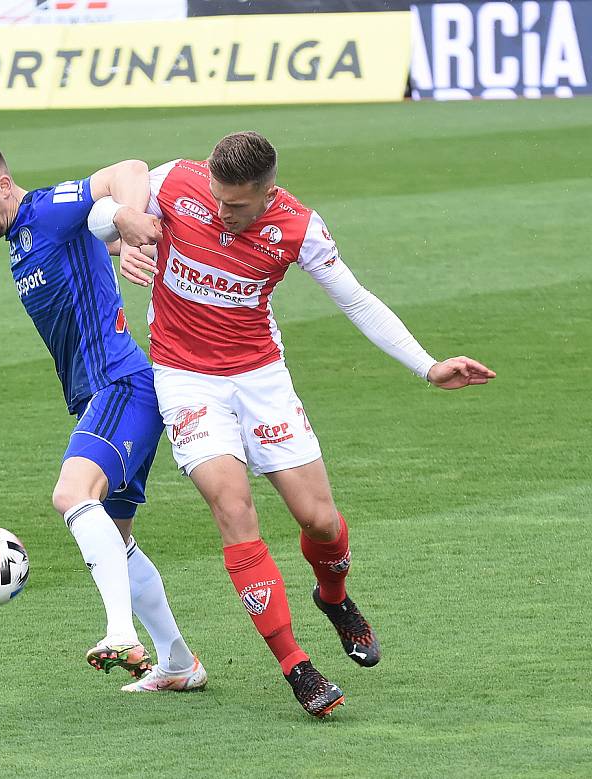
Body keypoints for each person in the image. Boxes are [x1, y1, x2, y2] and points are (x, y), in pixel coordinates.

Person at [90, 131, 495, 717]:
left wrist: (427, 366)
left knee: (320, 521)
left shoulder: (300, 227)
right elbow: (94, 205)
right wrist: (121, 226)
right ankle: (295, 665)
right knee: (234, 510)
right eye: (216, 199)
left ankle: (334, 598)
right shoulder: (175, 182)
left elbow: (355, 300)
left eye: (237, 206)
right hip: (185, 380)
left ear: (268, 192)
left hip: (261, 379)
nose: (222, 213)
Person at [0, 136, 207, 693]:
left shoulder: (48, 209)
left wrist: (132, 217)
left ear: (2, 186)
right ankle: (179, 664)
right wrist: (116, 238)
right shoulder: (26, 238)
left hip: (120, 385)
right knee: (119, 537)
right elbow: (88, 247)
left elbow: (127, 166)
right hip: (98, 396)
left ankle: (118, 633)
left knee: (71, 493)